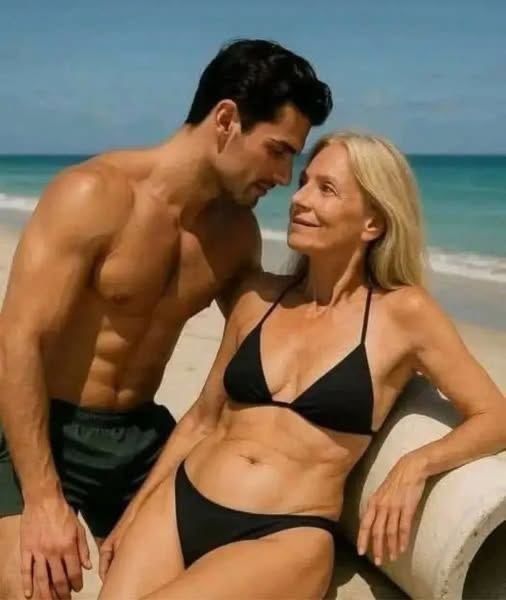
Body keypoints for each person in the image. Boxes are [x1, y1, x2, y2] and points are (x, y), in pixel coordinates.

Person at [98, 131, 506, 600]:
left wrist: (416, 465)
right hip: (180, 502)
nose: (300, 199)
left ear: (372, 222)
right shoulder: (258, 299)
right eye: (304, 182)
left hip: (284, 536)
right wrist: (136, 510)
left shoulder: (404, 315)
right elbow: (201, 419)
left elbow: (495, 415)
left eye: (325, 189)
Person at [0, 39, 332, 600]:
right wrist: (42, 500)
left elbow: (267, 330)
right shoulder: (93, 195)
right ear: (225, 120)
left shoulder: (234, 235)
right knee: (30, 586)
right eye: (277, 151)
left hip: (135, 437)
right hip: (32, 425)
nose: (284, 176)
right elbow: (17, 341)